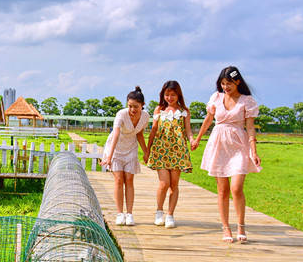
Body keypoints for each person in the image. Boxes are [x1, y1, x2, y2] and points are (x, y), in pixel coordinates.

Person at [191, 66, 261, 243]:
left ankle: (241, 226)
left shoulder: (247, 101)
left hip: (239, 145)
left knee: (236, 188)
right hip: (219, 144)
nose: (225, 87)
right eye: (222, 84)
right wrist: (197, 139)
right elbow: (208, 120)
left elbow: (250, 127)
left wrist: (254, 151)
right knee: (222, 190)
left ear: (237, 82)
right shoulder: (216, 97)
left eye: (229, 83)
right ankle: (226, 227)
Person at [145, 81, 193, 228]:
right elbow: (153, 130)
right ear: (163, 95)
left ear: (178, 95)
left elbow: (188, 130)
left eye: (173, 95)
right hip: (160, 150)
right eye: (167, 95)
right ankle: (159, 212)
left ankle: (170, 214)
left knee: (174, 184)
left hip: (178, 151)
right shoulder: (159, 109)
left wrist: (192, 140)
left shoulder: (184, 111)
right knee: (164, 183)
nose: (170, 98)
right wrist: (148, 150)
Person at [100, 87, 150, 226]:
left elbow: (139, 134)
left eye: (136, 106)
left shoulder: (145, 116)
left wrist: (146, 152)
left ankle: (129, 214)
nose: (132, 109)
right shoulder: (121, 114)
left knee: (129, 180)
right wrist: (109, 156)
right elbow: (115, 134)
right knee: (118, 180)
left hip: (131, 149)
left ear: (142, 105)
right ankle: (119, 214)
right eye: (130, 106)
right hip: (116, 148)